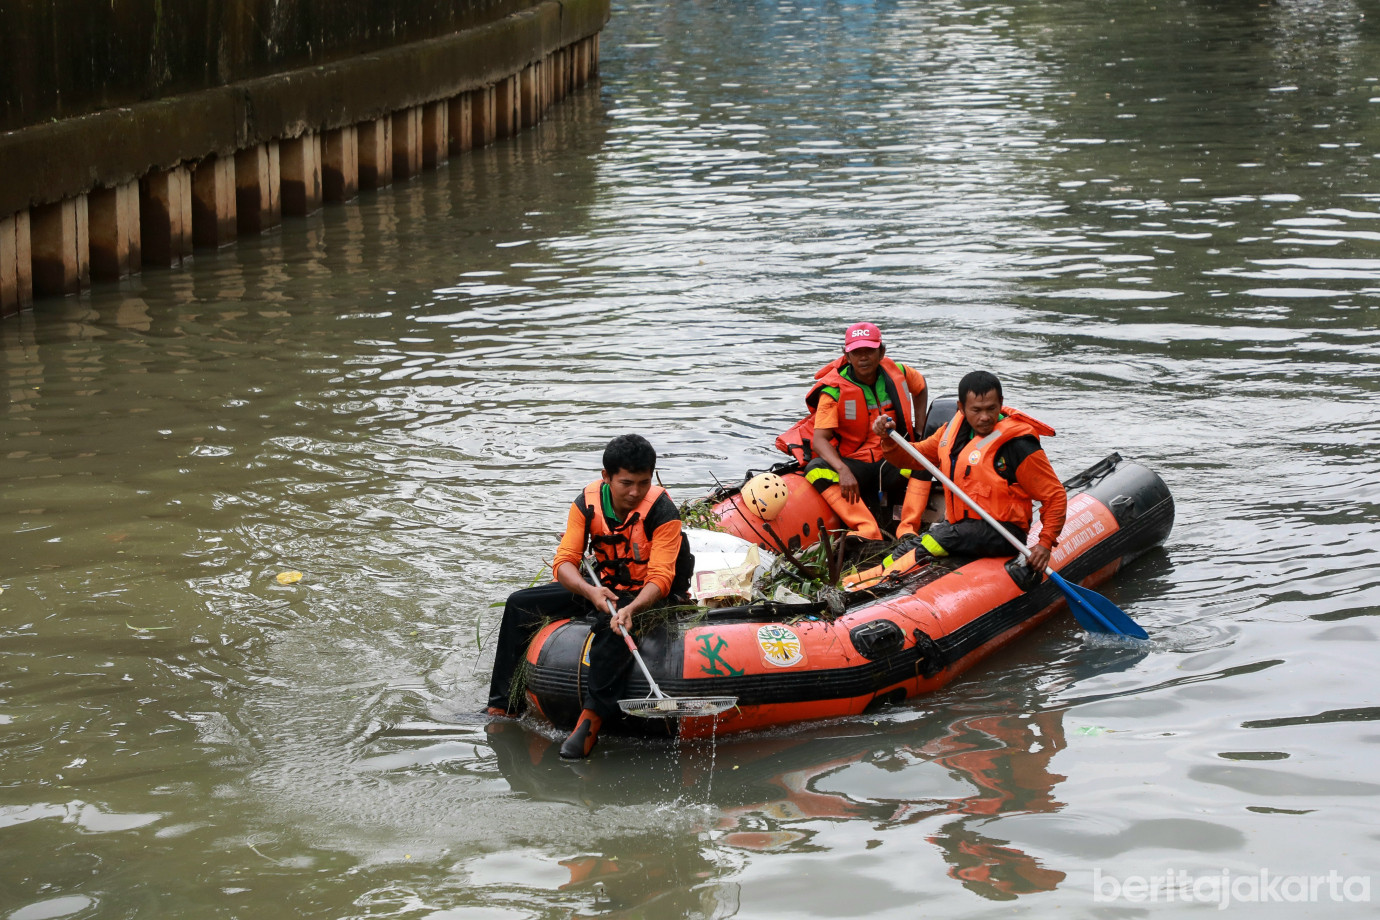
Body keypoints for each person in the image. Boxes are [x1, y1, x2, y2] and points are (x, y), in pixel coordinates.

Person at [485, 434, 694, 759]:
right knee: (519, 604)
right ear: (606, 476)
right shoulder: (586, 503)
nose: (635, 492)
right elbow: (564, 562)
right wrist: (589, 590)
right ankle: (502, 706)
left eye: (643, 483)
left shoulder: (663, 511)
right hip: (603, 586)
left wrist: (632, 608)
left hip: (649, 594)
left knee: (612, 626)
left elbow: (662, 578)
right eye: (626, 483)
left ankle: (591, 721)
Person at [873, 370, 1066, 581]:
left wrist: (1045, 543)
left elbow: (1054, 495)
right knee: (909, 546)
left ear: (1001, 403)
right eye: (976, 410)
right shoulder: (950, 432)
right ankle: (860, 581)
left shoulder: (1018, 444)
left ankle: (883, 581)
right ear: (961, 408)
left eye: (991, 408)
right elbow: (913, 458)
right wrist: (888, 440)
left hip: (1003, 532)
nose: (985, 417)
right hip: (961, 527)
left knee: (933, 541)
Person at [802, 322, 932, 545]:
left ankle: (907, 528)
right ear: (847, 356)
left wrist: (920, 430)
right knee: (815, 469)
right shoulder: (833, 390)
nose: (863, 358)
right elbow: (819, 441)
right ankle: (866, 529)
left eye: (869, 351)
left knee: (927, 457)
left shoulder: (899, 372)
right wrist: (843, 470)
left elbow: (920, 387)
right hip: (855, 465)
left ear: (881, 352)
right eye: (856, 352)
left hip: (893, 460)